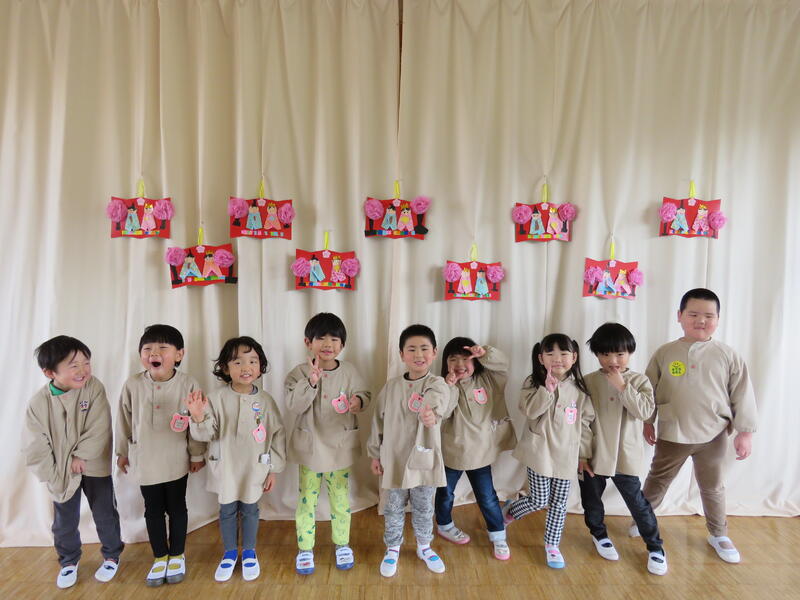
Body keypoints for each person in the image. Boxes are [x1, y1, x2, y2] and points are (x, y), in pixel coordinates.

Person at [636, 288, 757, 564]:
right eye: (693, 314)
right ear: (679, 316)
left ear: (718, 319)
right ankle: (642, 520)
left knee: (712, 487)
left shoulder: (727, 355)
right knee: (657, 480)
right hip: (673, 432)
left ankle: (719, 533)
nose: (701, 320)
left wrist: (745, 433)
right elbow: (648, 390)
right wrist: (647, 421)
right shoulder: (665, 353)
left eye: (708, 316)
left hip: (713, 434)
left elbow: (742, 394)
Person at [25, 336, 124, 588]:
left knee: (104, 512)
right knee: (64, 520)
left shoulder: (94, 388)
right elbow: (36, 443)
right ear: (50, 372)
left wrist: (82, 455)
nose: (83, 370)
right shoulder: (38, 403)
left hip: (94, 464)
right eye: (73, 365)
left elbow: (100, 425)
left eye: (86, 363)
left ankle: (112, 555)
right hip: (61, 469)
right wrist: (52, 473)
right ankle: (68, 560)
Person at [184, 336, 285, 582]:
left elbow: (277, 435)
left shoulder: (266, 401)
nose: (246, 367)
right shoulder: (215, 398)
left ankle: (249, 551)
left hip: (255, 467)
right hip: (226, 466)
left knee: (251, 509)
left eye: (252, 361)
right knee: (227, 510)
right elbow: (206, 434)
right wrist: (197, 416)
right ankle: (230, 552)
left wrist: (273, 469)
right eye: (238, 362)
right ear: (226, 368)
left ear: (260, 366)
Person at [115, 324, 206, 587]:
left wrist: (196, 455)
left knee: (177, 508)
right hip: (144, 461)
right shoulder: (133, 384)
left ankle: (177, 554)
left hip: (176, 459)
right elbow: (123, 420)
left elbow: (195, 420)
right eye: (147, 349)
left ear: (179, 354)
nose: (154, 353)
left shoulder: (188, 383)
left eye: (163, 348)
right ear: (140, 355)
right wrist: (122, 452)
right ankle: (159, 556)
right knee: (152, 510)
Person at [284, 313, 370, 574]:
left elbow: (364, 394)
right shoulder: (297, 373)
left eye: (334, 339)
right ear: (308, 342)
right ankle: (305, 547)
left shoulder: (350, 371)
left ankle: (342, 543)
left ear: (342, 344)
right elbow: (294, 405)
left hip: (339, 449)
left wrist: (358, 402)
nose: (328, 344)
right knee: (306, 500)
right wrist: (311, 381)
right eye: (321, 338)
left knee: (340, 499)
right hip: (310, 449)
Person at [579, 323, 667, 575]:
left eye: (619, 354)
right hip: (594, 454)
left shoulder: (639, 380)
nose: (613, 360)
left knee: (637, 503)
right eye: (605, 354)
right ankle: (599, 534)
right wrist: (582, 455)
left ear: (630, 352)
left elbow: (645, 412)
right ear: (597, 354)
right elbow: (581, 421)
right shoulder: (588, 381)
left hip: (624, 456)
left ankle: (655, 547)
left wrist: (623, 387)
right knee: (591, 500)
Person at [503, 333, 594, 569]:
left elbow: (585, 423)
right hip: (539, 451)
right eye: (550, 353)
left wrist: (584, 455)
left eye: (563, 353)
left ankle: (552, 545)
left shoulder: (581, 389)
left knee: (559, 502)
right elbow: (529, 411)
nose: (557, 358)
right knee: (539, 499)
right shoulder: (533, 382)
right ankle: (511, 511)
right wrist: (546, 390)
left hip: (566, 454)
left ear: (574, 357)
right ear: (540, 358)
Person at [367, 324, 450, 577]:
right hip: (393, 459)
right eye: (411, 349)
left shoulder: (436, 383)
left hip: (424, 459)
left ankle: (424, 546)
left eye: (424, 348)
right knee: (392, 506)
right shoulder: (391, 387)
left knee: (424, 507)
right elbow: (377, 422)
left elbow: (438, 399)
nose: (418, 354)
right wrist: (374, 454)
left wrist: (430, 412)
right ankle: (392, 547)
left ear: (434, 352)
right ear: (402, 354)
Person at [435, 338, 516, 560]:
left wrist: (485, 352)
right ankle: (444, 525)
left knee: (487, 497)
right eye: (453, 359)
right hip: (452, 451)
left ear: (476, 361)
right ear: (445, 363)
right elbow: (443, 412)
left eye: (466, 359)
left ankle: (498, 534)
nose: (460, 364)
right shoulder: (441, 385)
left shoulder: (489, 379)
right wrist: (449, 387)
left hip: (480, 453)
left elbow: (503, 365)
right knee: (445, 493)